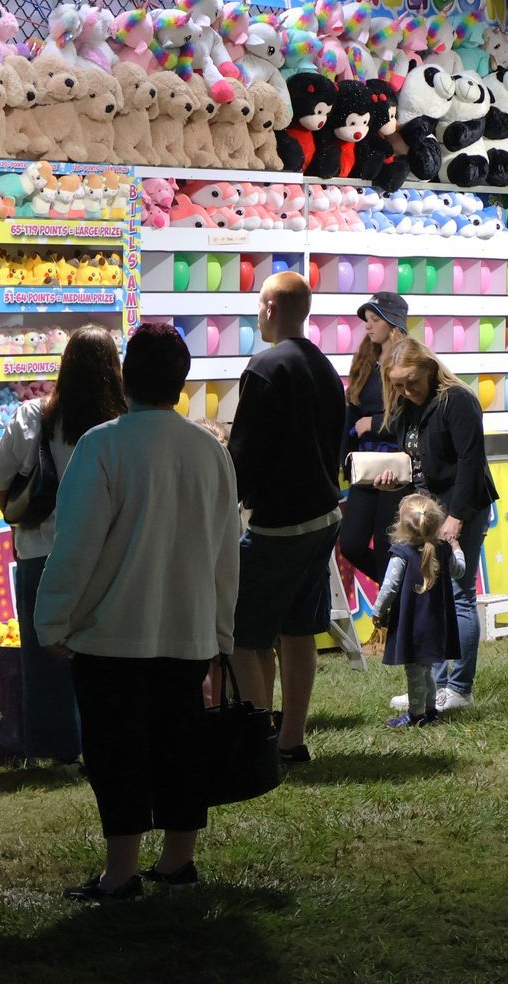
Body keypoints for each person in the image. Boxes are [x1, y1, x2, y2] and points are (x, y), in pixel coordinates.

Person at [35, 324, 241, 900]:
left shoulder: (103, 445)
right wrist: (221, 631)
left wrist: (52, 620)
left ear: (127, 376)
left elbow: (75, 546)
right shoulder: (210, 452)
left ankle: (121, 872)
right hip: (190, 631)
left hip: (111, 635)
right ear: (181, 380)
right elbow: (228, 553)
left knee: (116, 753)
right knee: (181, 747)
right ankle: (179, 861)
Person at [0, 325, 126, 763]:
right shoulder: (121, 424)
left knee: (43, 653)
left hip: (41, 549)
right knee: (104, 652)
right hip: (107, 553)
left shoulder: (33, 416)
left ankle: (52, 749)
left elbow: (0, 485)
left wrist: (22, 522)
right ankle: (102, 742)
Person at [227, 271, 346, 763]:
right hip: (323, 513)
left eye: (259, 305)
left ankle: (256, 742)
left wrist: (233, 497)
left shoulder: (265, 368)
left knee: (240, 634)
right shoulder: (324, 367)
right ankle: (290, 739)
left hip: (278, 522)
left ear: (271, 308)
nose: (257, 314)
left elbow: (244, 453)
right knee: (299, 629)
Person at [379, 337, 499, 711]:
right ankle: (433, 686)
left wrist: (457, 519)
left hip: (462, 508)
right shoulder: (404, 406)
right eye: (397, 384)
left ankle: (459, 689)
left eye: (411, 381)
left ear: (430, 368)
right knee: (434, 597)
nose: (405, 390)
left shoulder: (458, 400)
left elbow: (471, 462)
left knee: (461, 596)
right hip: (429, 512)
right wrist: (394, 478)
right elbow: (418, 461)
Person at [373, 494, 465, 727]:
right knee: (427, 671)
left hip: (413, 625)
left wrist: (378, 611)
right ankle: (430, 710)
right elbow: (460, 570)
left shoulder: (401, 553)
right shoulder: (443, 549)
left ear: (402, 525)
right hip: (436, 624)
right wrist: (456, 546)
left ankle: (416, 715)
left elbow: (389, 588)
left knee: (415, 672)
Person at [339, 293, 411, 583]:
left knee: (387, 546)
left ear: (393, 323)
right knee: (352, 544)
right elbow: (351, 411)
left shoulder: (410, 360)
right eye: (367, 321)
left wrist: (377, 423)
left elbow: (413, 414)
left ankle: (390, 615)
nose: (368, 327)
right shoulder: (365, 361)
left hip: (395, 466)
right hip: (364, 465)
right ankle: (392, 591)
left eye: (375, 320)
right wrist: (343, 458)